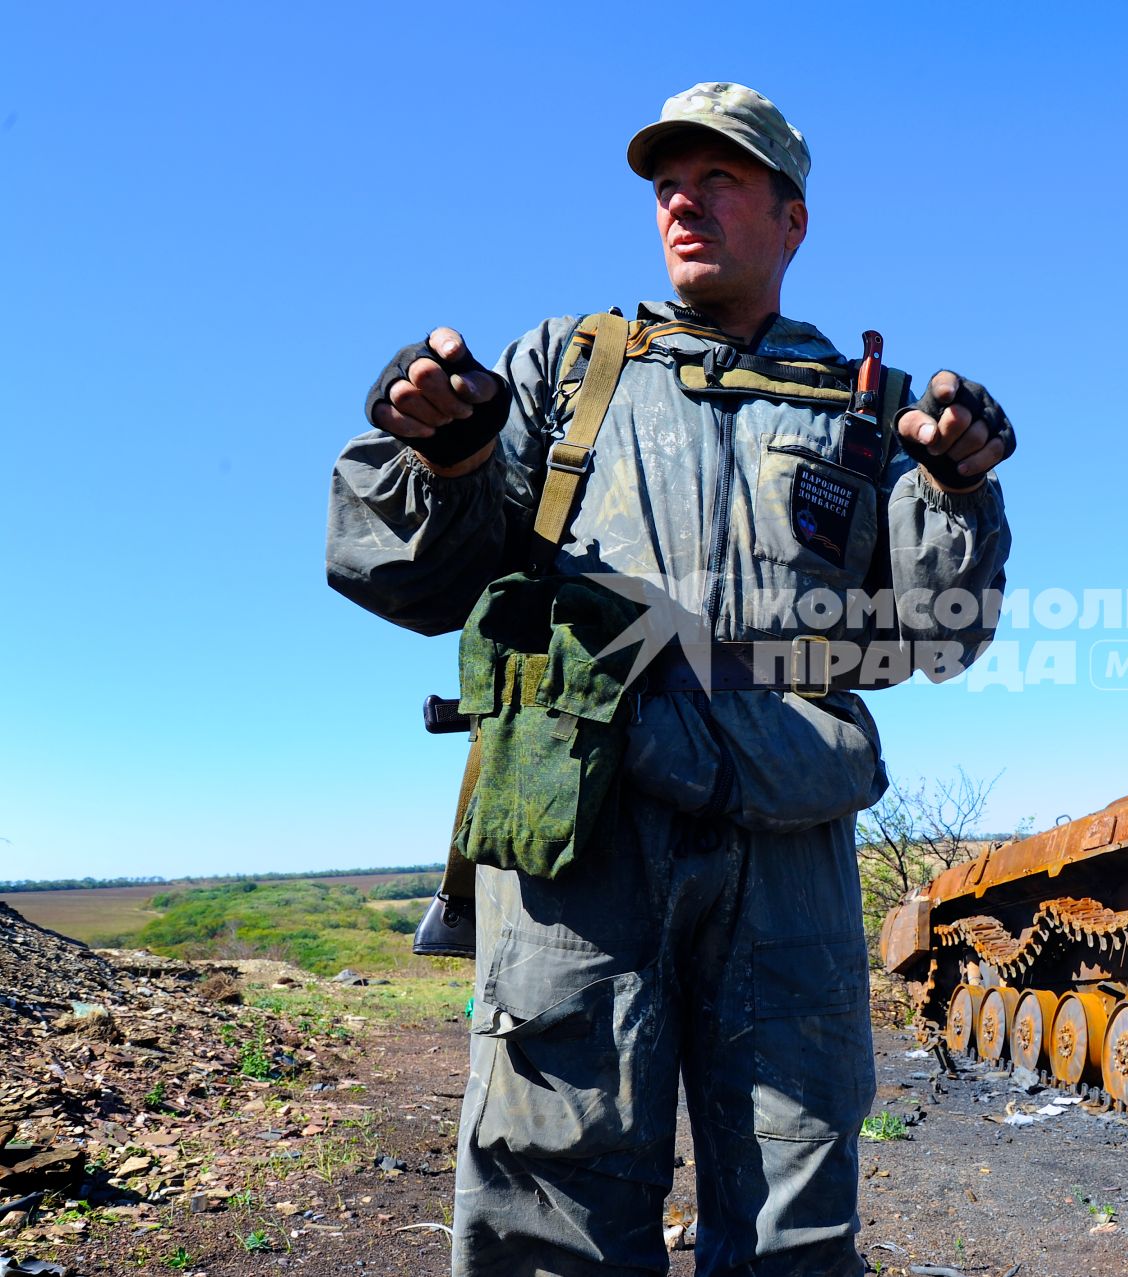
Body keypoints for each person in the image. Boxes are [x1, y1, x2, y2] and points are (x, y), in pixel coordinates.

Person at [326, 82, 1013, 1277]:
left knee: (797, 1189)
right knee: (554, 1175)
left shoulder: (875, 411)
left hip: (787, 822)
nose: (684, 202)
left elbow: (934, 641)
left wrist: (957, 493)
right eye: (667, 185)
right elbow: (414, 581)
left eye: (722, 179)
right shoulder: (566, 366)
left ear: (792, 219)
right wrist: (449, 455)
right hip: (579, 812)